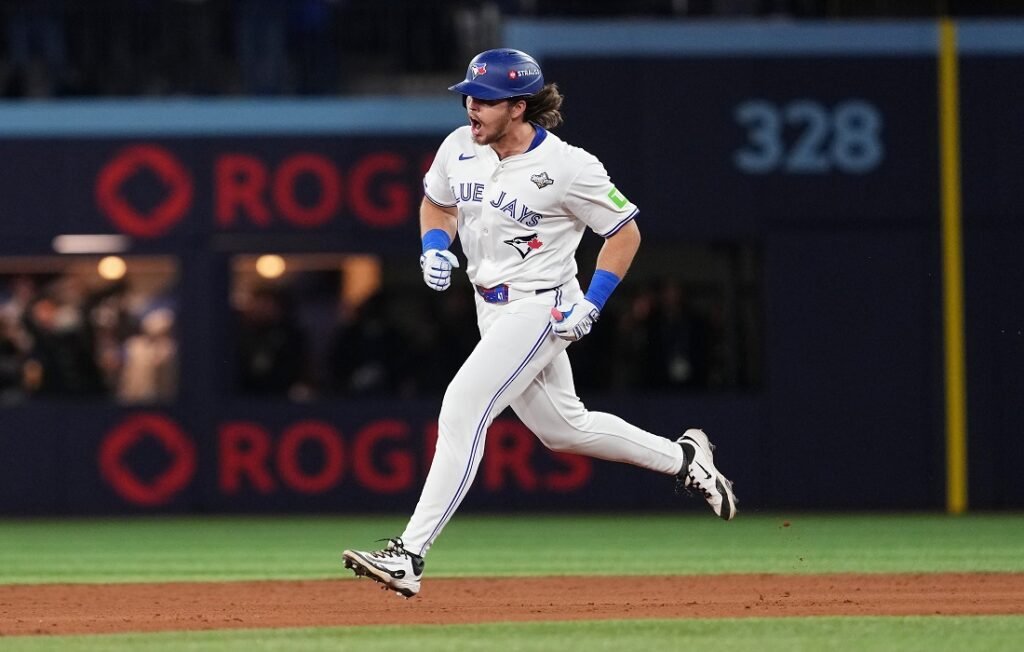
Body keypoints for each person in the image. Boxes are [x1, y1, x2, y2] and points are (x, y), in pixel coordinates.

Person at [342, 48, 737, 598]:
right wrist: (434, 245)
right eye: (469, 97)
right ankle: (684, 458)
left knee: (462, 409)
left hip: (541, 306)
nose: (471, 108)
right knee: (563, 429)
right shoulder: (460, 147)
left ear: (519, 106)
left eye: (485, 100)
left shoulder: (570, 167)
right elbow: (438, 205)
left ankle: (409, 554)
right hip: (491, 304)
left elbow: (624, 233)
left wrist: (593, 303)